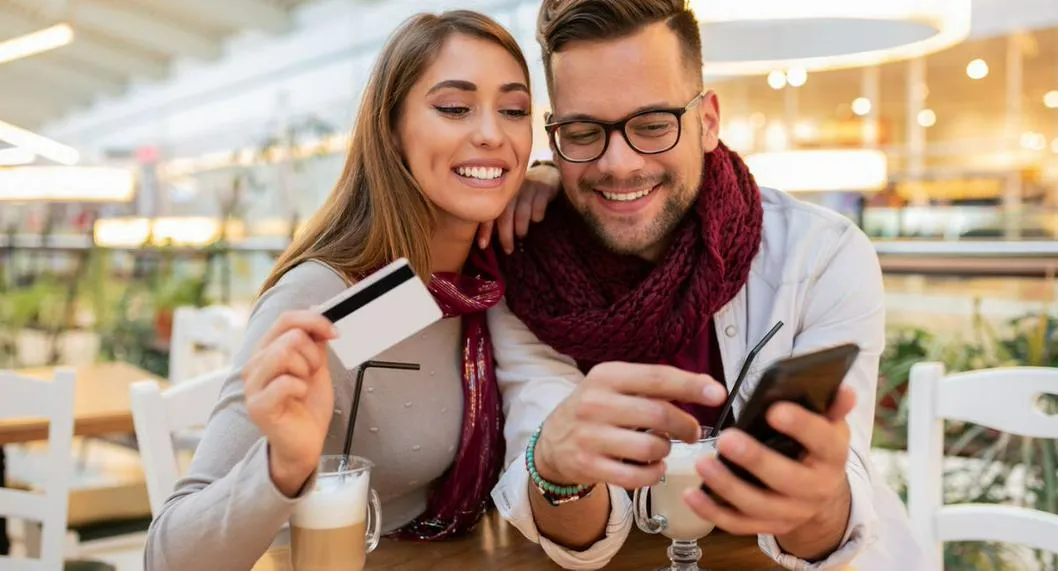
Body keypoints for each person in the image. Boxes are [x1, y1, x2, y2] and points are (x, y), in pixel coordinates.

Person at [484, 1, 923, 569]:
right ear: (554, 139)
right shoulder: (528, 272)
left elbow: (827, 536)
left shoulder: (822, 255)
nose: (619, 164)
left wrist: (816, 502)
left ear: (708, 120)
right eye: (584, 131)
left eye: (651, 125)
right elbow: (578, 543)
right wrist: (554, 469)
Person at [144, 11, 535, 570]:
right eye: (454, 107)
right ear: (391, 129)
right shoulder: (348, 297)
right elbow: (168, 557)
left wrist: (544, 182)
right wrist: (283, 465)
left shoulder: (490, 278)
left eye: (515, 111)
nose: (493, 133)